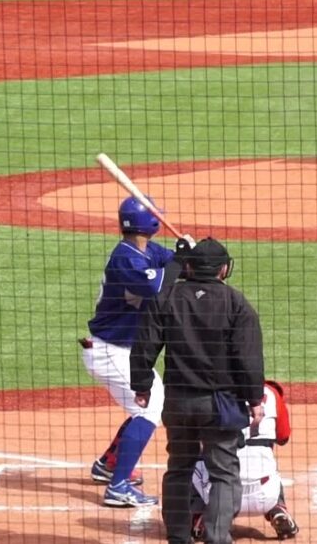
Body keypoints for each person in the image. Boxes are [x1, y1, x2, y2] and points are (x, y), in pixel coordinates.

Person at [131, 237, 266, 544]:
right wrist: (254, 399)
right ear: (223, 269)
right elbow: (248, 358)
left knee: (179, 469)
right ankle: (217, 538)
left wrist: (141, 385)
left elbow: (144, 345)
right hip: (219, 404)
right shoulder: (236, 303)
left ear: (189, 267)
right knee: (223, 473)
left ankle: (179, 537)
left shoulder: (167, 297)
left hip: (178, 402)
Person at [81, 195, 182, 508]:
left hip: (123, 350)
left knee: (150, 404)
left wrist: (190, 252)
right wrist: (181, 260)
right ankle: (118, 487)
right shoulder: (125, 259)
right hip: (110, 351)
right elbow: (156, 285)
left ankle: (108, 464)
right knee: (149, 410)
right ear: (147, 222)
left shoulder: (145, 249)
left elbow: (175, 264)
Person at [188, 380, 299, 541]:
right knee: (267, 459)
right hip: (265, 495)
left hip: (218, 496)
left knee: (192, 459)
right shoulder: (271, 393)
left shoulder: (209, 393)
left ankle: (199, 516)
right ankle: (278, 509)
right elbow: (283, 437)